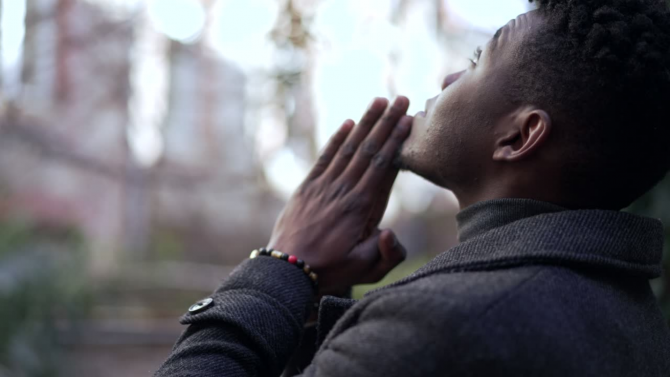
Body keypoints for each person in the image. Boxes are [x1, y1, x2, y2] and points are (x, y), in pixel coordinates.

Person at [155, 0, 670, 375]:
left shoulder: (445, 327)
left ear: (519, 135)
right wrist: (315, 290)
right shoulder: (625, 309)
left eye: (475, 62)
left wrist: (278, 264)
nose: (447, 79)